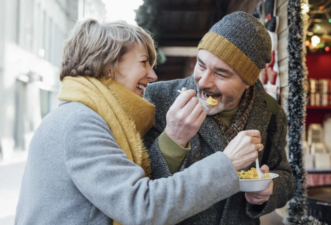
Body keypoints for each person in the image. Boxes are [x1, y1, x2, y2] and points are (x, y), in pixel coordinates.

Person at [15, 19, 265, 225]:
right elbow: (141, 206)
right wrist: (226, 164)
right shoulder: (80, 123)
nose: (153, 75)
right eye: (144, 62)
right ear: (109, 63)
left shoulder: (90, 115)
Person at [143, 11, 295, 224]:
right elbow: (139, 194)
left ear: (247, 81)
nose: (203, 82)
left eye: (221, 73)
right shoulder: (157, 99)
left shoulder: (270, 112)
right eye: (201, 65)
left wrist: (269, 191)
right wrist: (172, 140)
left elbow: (286, 177)